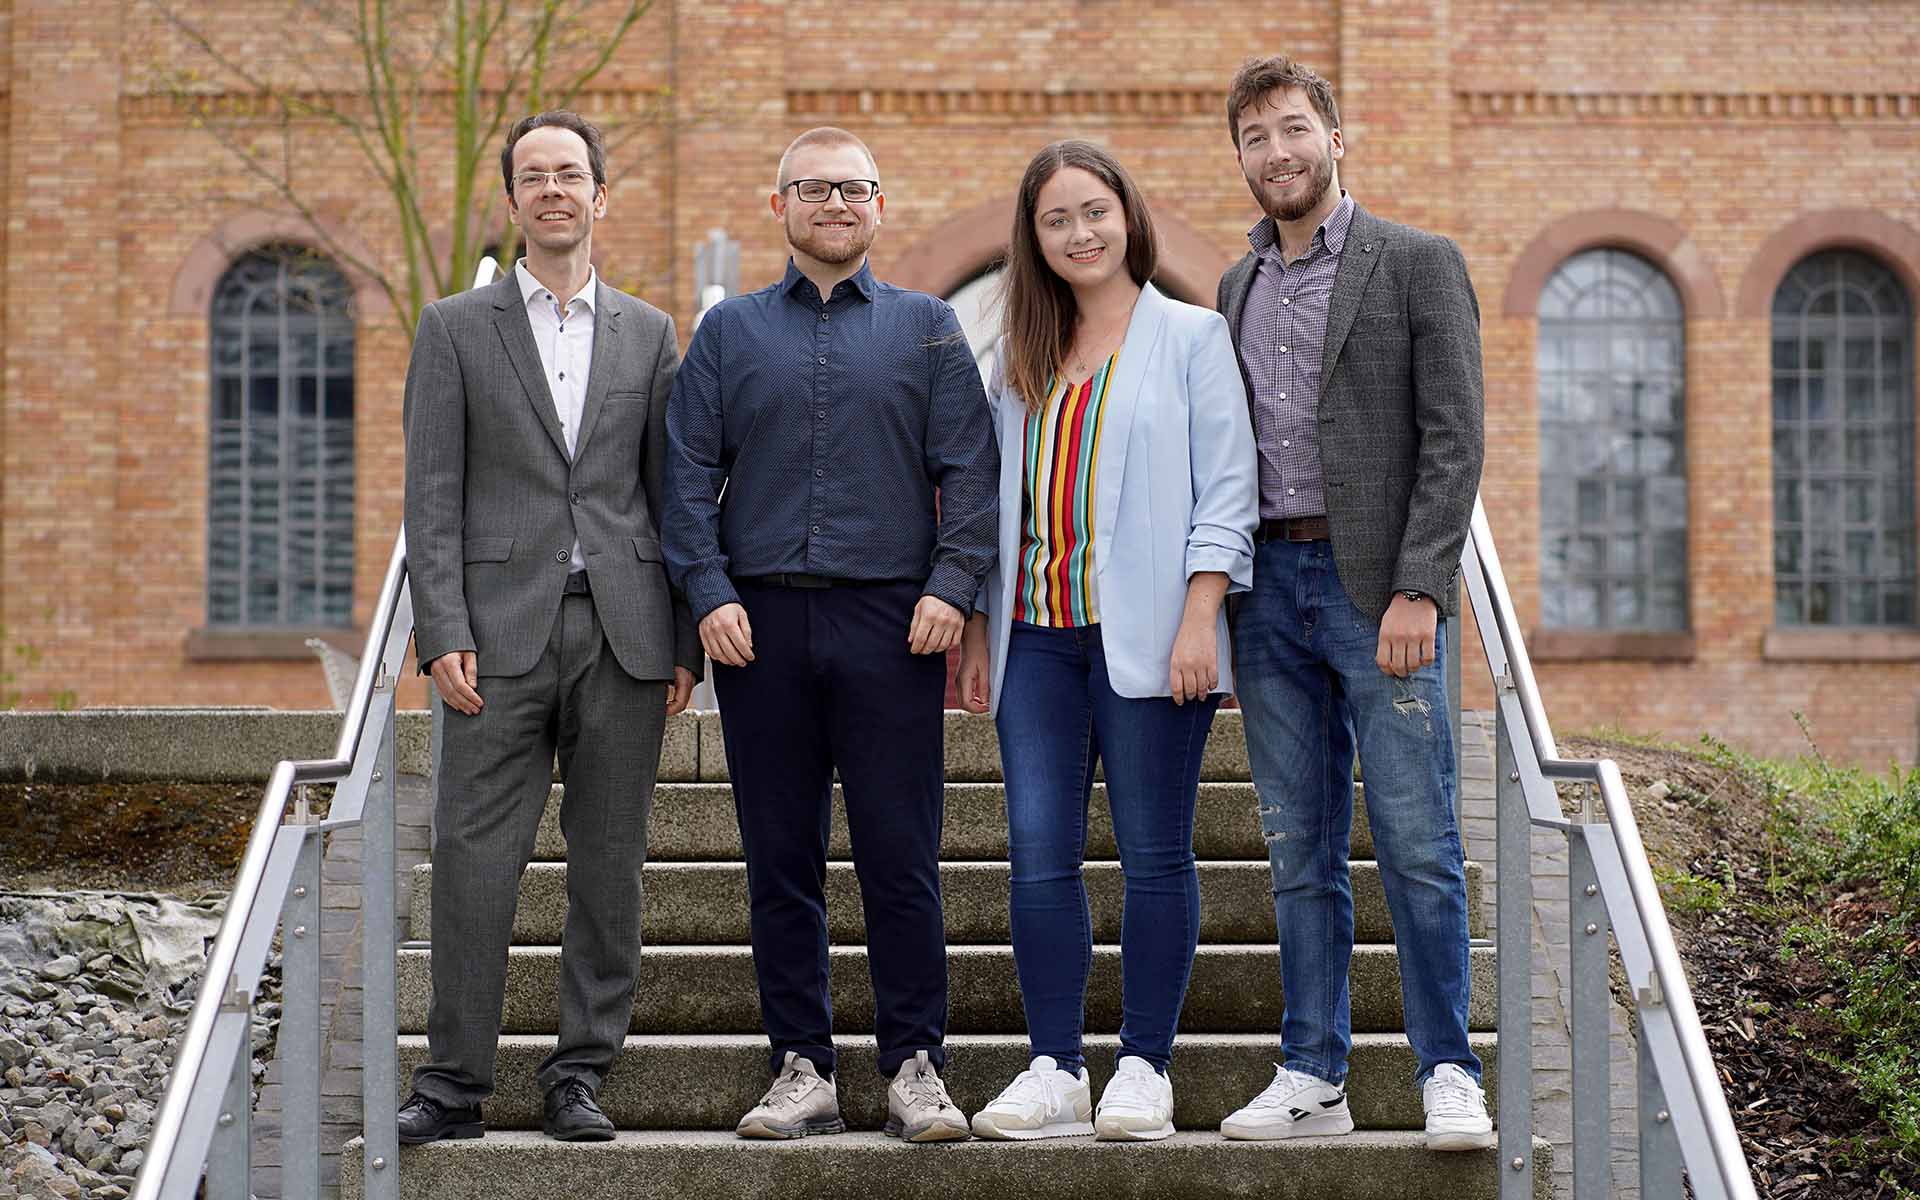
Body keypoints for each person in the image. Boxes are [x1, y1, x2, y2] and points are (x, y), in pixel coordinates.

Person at [662, 126, 998, 1144]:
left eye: (854, 189)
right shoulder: (728, 334)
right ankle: (800, 1066)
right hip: (756, 627)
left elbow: (970, 468)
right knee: (780, 860)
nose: (837, 205)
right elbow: (685, 472)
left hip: (895, 626)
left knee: (901, 856)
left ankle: (915, 1067)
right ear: (780, 207)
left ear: (880, 205)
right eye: (814, 189)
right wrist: (708, 592)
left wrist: (952, 585)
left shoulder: (928, 328)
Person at [398, 110, 699, 1145]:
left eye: (571, 173)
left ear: (599, 195)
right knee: (472, 861)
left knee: (610, 867)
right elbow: (431, 492)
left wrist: (684, 640)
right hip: (493, 638)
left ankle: (579, 1074)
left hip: (624, 633)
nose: (554, 190)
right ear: (515, 201)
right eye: (535, 176)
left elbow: (671, 494)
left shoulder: (650, 333)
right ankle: (452, 1084)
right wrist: (440, 626)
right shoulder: (453, 328)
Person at [1210, 56, 1492, 1151]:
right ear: (1240, 158)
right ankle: (1312, 1074)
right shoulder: (1235, 287)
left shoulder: (1417, 261)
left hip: (1379, 592)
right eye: (1255, 138)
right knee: (1298, 848)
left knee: (1417, 840)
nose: (1276, 152)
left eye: (1293, 129)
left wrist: (1422, 583)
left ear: (1335, 138)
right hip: (1268, 591)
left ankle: (1448, 1070)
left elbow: (1454, 435)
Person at [955, 140, 1258, 1143]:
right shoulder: (1021, 353)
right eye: (1056, 220)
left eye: (1094, 212)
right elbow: (997, 506)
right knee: (1038, 855)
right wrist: (981, 628)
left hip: (1153, 639)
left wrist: (1201, 617)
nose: (1080, 233)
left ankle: (1143, 1066)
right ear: (1033, 239)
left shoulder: (1192, 336)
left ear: (1127, 216)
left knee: (1154, 854)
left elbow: (1228, 489)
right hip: (1036, 640)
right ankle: (1054, 1067)